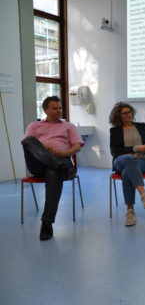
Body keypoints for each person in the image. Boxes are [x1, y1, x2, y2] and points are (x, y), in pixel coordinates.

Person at [21, 96, 84, 241]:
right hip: (38, 163)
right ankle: (61, 168)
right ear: (45, 110)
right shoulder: (34, 125)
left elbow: (76, 147)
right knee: (29, 140)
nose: (59, 111)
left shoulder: (69, 126)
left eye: (60, 108)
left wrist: (64, 153)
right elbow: (27, 144)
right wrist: (44, 147)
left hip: (62, 158)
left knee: (53, 173)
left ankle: (46, 224)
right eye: (55, 108)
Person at [109, 102, 145, 226]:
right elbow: (115, 151)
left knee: (127, 173)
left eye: (130, 112)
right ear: (118, 116)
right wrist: (136, 148)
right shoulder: (115, 131)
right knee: (128, 160)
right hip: (121, 160)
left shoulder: (141, 126)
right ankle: (143, 193)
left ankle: (130, 211)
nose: (128, 115)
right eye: (124, 113)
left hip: (141, 160)